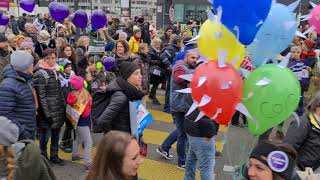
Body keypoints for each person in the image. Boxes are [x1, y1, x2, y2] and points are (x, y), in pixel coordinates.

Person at [33, 48, 66, 166]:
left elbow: (59, 91)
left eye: (53, 57)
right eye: (48, 58)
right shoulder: (40, 74)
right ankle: (43, 158)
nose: (51, 60)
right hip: (47, 112)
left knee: (56, 136)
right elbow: (41, 97)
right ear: (43, 59)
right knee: (45, 137)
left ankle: (54, 156)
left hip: (57, 109)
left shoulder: (55, 71)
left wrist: (63, 105)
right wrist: (47, 114)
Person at [96, 61, 144, 134]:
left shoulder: (132, 91)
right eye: (136, 74)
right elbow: (103, 121)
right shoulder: (121, 96)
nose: (141, 76)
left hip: (129, 134)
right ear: (127, 77)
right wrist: (114, 135)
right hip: (121, 139)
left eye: (140, 73)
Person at [170, 50, 199, 169]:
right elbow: (178, 79)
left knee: (184, 133)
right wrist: (194, 76)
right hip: (179, 106)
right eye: (192, 57)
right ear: (186, 57)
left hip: (184, 105)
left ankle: (165, 148)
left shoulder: (187, 67)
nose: (195, 60)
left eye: (196, 58)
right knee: (182, 135)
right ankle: (182, 161)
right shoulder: (180, 67)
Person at [0, 51, 36, 140]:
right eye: (31, 63)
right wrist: (22, 132)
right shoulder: (8, 86)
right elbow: (5, 114)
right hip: (19, 136)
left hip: (27, 130)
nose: (33, 65)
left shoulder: (24, 79)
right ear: (25, 66)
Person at [184, 95, 219, 180]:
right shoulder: (210, 87)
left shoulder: (195, 84)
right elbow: (206, 113)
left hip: (191, 128)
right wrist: (209, 134)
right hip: (202, 132)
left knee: (192, 159)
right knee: (207, 168)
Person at [284, 91, 320, 171]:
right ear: (317, 105)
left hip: (310, 172)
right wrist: (296, 173)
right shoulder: (303, 123)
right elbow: (286, 150)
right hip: (297, 172)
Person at [67, 76, 93, 172]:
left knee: (78, 138)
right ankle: (88, 164)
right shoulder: (83, 95)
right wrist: (89, 103)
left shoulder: (71, 94)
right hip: (83, 122)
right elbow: (85, 113)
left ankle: (75, 155)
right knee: (88, 142)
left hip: (75, 121)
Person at [161, 35, 183, 113]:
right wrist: (169, 65)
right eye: (181, 42)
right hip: (170, 72)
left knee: (171, 89)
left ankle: (169, 105)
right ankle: (167, 107)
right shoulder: (171, 48)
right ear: (177, 42)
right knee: (169, 89)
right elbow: (163, 56)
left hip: (174, 72)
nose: (182, 43)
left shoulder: (177, 48)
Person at [148, 38, 163, 105]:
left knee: (156, 83)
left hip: (157, 69)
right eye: (158, 43)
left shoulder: (158, 50)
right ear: (154, 43)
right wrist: (158, 61)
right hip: (151, 69)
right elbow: (149, 60)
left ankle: (152, 95)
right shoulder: (150, 50)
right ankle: (151, 95)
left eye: (160, 43)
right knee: (150, 82)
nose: (159, 44)